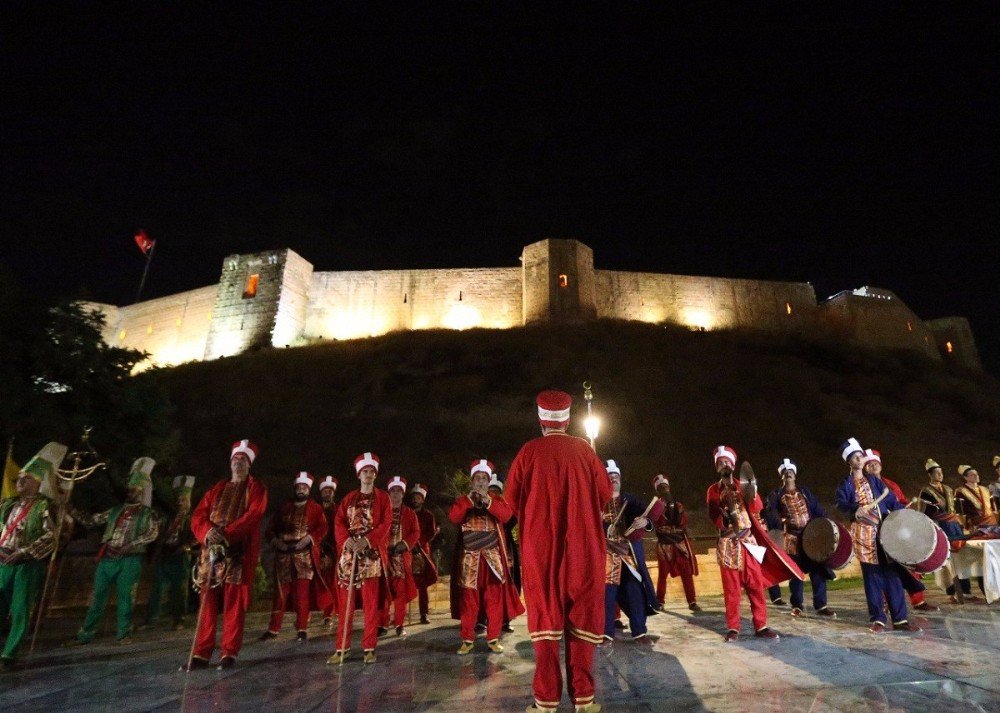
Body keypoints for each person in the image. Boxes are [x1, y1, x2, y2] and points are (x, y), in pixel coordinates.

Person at [505, 390, 611, 713]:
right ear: (567, 420)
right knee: (581, 622)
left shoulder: (528, 452)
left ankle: (546, 701)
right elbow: (606, 495)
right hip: (584, 550)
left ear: (541, 421)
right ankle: (585, 700)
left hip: (541, 552)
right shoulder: (585, 450)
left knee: (547, 624)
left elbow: (510, 502)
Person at [185, 440, 268, 670]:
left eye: (242, 460)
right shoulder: (217, 488)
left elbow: (253, 515)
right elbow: (198, 516)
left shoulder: (256, 488)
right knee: (207, 603)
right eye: (235, 460)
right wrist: (207, 532)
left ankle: (228, 652)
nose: (238, 463)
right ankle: (201, 653)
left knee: (233, 604)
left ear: (249, 464)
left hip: (237, 553)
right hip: (209, 551)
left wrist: (226, 535)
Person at [834, 438, 920, 633]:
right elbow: (840, 504)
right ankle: (878, 618)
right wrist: (855, 508)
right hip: (864, 534)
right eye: (856, 457)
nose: (860, 458)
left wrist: (903, 512)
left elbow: (890, 500)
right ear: (850, 461)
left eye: (860, 456)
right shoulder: (846, 484)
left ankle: (900, 619)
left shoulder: (874, 481)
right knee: (872, 576)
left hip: (883, 531)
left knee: (892, 574)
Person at [72, 458, 159, 645]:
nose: (131, 492)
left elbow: (152, 533)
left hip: (130, 559)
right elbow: (90, 521)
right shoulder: (115, 510)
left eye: (135, 489)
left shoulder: (147, 513)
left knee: (126, 598)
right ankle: (86, 634)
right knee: (97, 597)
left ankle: (123, 633)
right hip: (107, 558)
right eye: (129, 488)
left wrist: (131, 544)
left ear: (142, 490)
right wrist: (70, 509)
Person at [706, 445, 785, 642]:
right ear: (717, 467)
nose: (724, 464)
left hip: (748, 542)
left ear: (733, 466)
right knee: (732, 590)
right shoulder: (713, 490)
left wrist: (753, 490)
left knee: (755, 586)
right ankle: (733, 627)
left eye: (727, 462)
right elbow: (713, 514)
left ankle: (761, 625)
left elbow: (757, 507)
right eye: (720, 463)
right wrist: (724, 515)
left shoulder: (743, 485)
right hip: (729, 543)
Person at [0, 443, 65, 669]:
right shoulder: (9, 505)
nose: (19, 482)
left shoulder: (44, 507)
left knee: (20, 609)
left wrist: (24, 552)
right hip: (3, 561)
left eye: (25, 478)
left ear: (38, 483)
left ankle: (9, 654)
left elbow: (50, 537)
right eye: (19, 478)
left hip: (26, 564)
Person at [449, 459, 523, 655]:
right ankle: (467, 639)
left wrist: (488, 502)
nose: (481, 482)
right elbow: (454, 517)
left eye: (484, 479)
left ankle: (493, 638)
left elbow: (507, 516)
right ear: (472, 481)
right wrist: (469, 502)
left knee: (494, 599)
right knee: (469, 601)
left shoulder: (496, 500)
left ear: (488, 482)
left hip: (492, 558)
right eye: (478, 478)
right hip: (470, 559)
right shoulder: (463, 500)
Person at [330, 452, 391, 665]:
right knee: (345, 604)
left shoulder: (383, 498)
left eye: (371, 472)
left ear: (375, 475)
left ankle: (369, 647)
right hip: (349, 555)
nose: (368, 475)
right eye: (365, 471)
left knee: (370, 604)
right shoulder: (348, 498)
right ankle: (342, 648)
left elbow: (385, 524)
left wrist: (367, 541)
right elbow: (338, 522)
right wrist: (347, 541)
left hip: (370, 555)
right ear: (359, 474)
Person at [862, 449, 938, 612]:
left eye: (876, 464)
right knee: (882, 569)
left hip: (897, 530)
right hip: (875, 532)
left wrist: (909, 508)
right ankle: (884, 603)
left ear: (881, 466)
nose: (874, 466)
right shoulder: (862, 487)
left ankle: (918, 600)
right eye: (870, 464)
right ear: (865, 468)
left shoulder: (891, 485)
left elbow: (901, 502)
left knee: (909, 563)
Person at [763, 459, 836, 618]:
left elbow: (817, 509)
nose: (788, 473)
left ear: (795, 475)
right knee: (796, 573)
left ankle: (821, 605)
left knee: (817, 570)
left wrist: (824, 524)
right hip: (792, 538)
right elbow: (770, 513)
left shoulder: (805, 492)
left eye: (791, 471)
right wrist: (779, 522)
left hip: (810, 535)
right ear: (782, 477)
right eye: (785, 472)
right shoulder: (776, 495)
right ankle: (797, 605)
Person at [260, 472, 329, 642]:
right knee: (280, 595)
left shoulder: (315, 508)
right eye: (298, 487)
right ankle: (273, 628)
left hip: (303, 555)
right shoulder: (284, 507)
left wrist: (308, 539)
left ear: (309, 489)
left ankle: (302, 628)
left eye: (304, 487)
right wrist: (276, 542)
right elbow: (270, 529)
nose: (301, 489)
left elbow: (322, 528)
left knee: (302, 594)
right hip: (283, 554)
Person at [601, 460, 659, 644]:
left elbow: (648, 516)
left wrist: (645, 523)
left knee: (634, 591)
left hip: (628, 555)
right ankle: (606, 633)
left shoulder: (630, 500)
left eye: (616, 477)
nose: (613, 480)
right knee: (606, 596)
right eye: (610, 477)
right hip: (606, 556)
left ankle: (640, 632)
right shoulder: (597, 502)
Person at [919, 459, 979, 602]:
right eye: (937, 473)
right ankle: (950, 591)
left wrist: (960, 523)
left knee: (960, 558)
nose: (940, 475)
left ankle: (966, 591)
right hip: (939, 526)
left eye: (941, 472)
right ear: (930, 475)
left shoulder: (948, 489)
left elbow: (956, 509)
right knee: (945, 560)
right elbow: (924, 512)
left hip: (953, 526)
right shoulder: (926, 491)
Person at [144, 476, 195, 630]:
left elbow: (197, 536)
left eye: (184, 500)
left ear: (188, 502)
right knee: (157, 588)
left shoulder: (192, 519)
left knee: (179, 591)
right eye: (178, 500)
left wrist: (186, 546)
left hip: (180, 556)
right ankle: (150, 620)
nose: (180, 503)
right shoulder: (169, 517)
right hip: (165, 555)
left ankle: (179, 620)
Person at [650, 473, 700, 612]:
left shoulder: (677, 505)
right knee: (662, 575)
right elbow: (656, 523)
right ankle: (659, 601)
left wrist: (675, 511)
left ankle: (692, 601)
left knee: (686, 574)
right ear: (657, 490)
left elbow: (682, 522)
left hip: (679, 543)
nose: (664, 490)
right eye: (661, 488)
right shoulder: (655, 506)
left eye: (666, 487)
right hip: (664, 544)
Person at [380, 475, 419, 637]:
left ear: (403, 494)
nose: (396, 494)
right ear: (389, 493)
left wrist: (404, 544)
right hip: (382, 557)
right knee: (382, 592)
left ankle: (399, 624)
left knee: (401, 593)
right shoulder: (381, 512)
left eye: (399, 491)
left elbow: (416, 532)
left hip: (401, 558)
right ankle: (381, 624)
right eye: (393, 491)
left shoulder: (410, 513)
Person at [488, 474, 520, 633]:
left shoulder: (505, 505)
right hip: (485, 548)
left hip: (504, 545)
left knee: (508, 583)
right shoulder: (480, 502)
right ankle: (484, 618)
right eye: (491, 490)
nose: (493, 493)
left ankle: (506, 619)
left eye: (496, 490)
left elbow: (512, 519)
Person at [409, 482, 438, 624]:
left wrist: (419, 543)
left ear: (423, 499)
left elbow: (431, 532)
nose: (415, 500)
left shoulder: (428, 515)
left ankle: (424, 613)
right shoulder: (407, 513)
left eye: (418, 497)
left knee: (422, 584)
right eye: (414, 497)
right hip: (407, 550)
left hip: (422, 551)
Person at [314, 476, 339, 627]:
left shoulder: (338, 509)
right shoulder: (315, 509)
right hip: (316, 549)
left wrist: (330, 551)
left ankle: (329, 613)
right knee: (313, 582)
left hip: (334, 550)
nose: (327, 493)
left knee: (331, 582)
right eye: (325, 490)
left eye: (330, 491)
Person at [955, 464, 1000, 530]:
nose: (976, 476)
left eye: (977, 474)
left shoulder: (985, 489)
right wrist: (963, 525)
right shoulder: (961, 491)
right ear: (965, 477)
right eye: (973, 475)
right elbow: (960, 511)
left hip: (992, 522)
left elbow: (994, 507)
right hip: (975, 524)